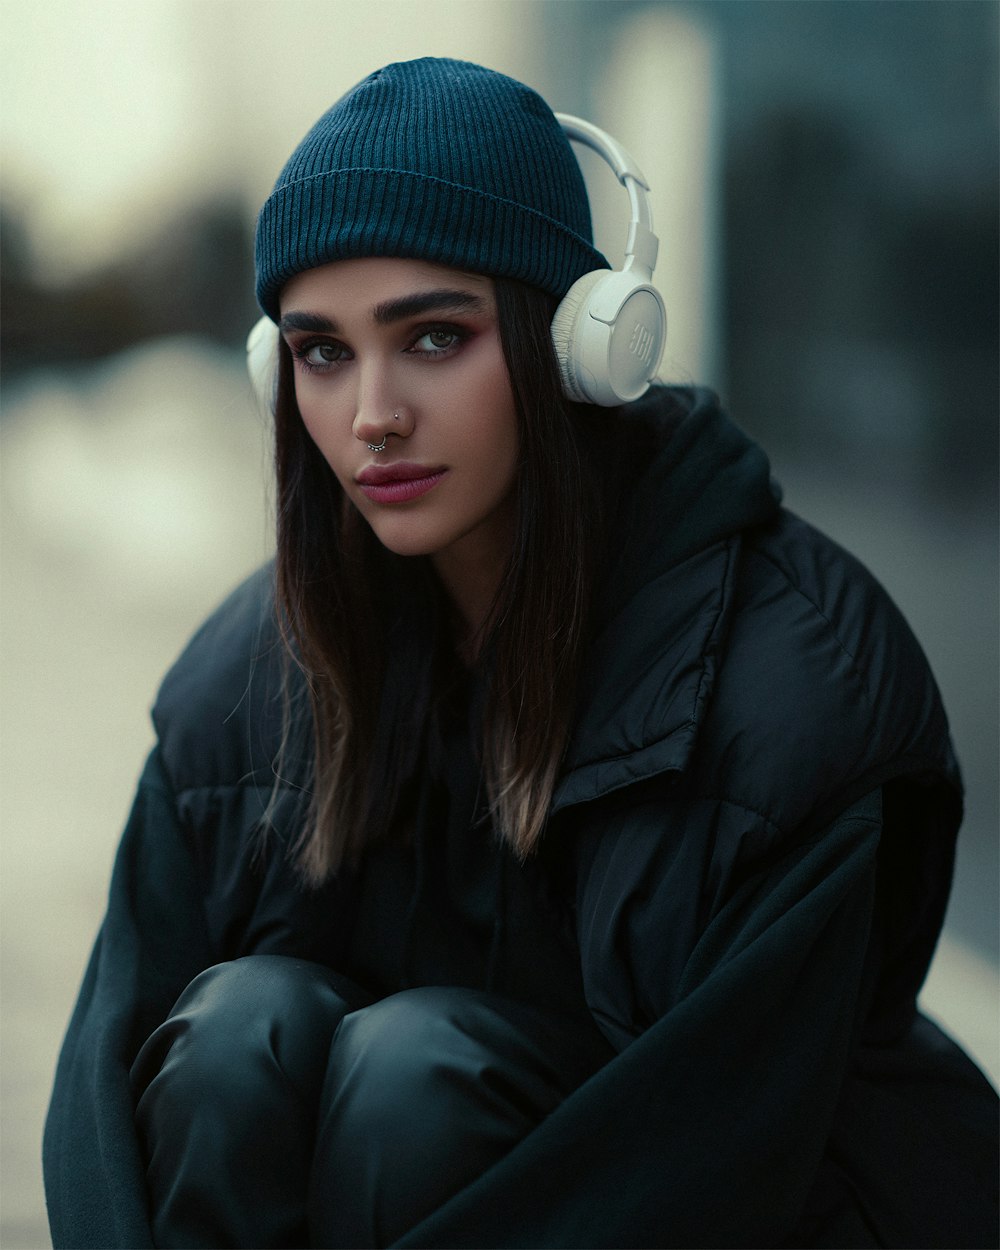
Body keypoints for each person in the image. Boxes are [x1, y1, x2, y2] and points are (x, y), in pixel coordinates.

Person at [43, 57, 997, 1250]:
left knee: (415, 1069)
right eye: (322, 352)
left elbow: (714, 1162)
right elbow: (101, 1091)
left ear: (575, 347)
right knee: (240, 1028)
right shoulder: (244, 680)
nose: (370, 413)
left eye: (433, 336)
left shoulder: (791, 685)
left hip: (772, 1211)